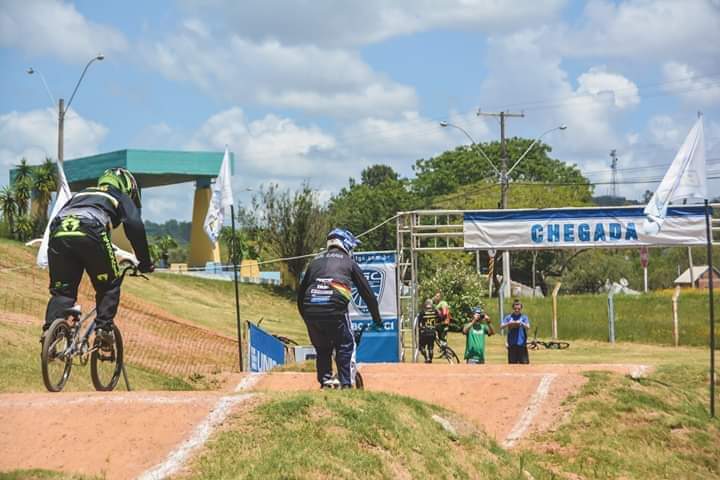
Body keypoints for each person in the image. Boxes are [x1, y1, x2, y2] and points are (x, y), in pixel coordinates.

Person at [42, 168, 154, 348]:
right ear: (126, 186)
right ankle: (104, 329)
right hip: (91, 229)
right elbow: (135, 225)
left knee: (63, 290)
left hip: (59, 232)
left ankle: (51, 332)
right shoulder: (118, 195)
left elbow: (57, 218)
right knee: (109, 285)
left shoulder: (81, 194)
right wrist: (145, 262)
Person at [298, 228, 382, 389]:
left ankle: (325, 382)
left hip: (310, 309)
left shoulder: (314, 262)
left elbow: (300, 295)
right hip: (335, 309)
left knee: (323, 348)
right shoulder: (349, 262)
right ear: (346, 244)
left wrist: (308, 319)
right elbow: (368, 294)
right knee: (346, 344)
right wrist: (377, 319)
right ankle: (346, 384)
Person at [501, 299, 530, 364]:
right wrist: (509, 323)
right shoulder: (509, 317)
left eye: (518, 309)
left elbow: (528, 327)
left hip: (521, 343)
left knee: (524, 363)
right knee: (512, 364)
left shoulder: (524, 317)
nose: (517, 310)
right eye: (515, 308)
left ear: (521, 308)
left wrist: (521, 323)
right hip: (512, 343)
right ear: (513, 308)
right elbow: (502, 326)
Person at [416, 298, 440, 363]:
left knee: (421, 346)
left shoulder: (423, 312)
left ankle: (426, 358)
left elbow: (418, 322)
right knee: (431, 347)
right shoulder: (434, 311)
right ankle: (430, 360)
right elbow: (440, 317)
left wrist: (419, 329)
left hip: (424, 331)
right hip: (432, 331)